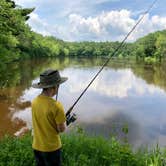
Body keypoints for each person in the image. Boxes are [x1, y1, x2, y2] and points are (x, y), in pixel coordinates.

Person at [31, 69, 68, 166]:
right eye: (58, 85)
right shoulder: (57, 106)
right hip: (52, 149)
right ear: (55, 87)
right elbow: (61, 129)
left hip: (37, 146)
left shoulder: (34, 101)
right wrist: (65, 123)